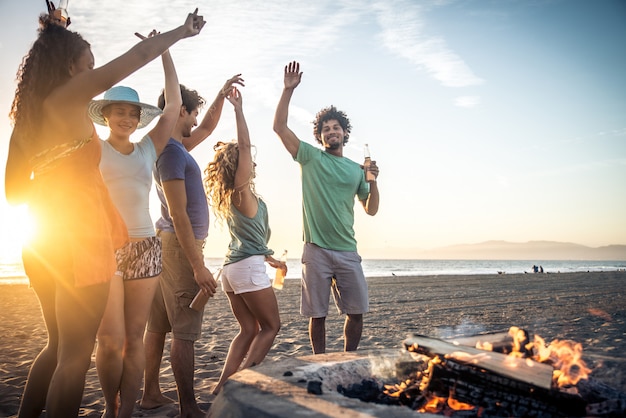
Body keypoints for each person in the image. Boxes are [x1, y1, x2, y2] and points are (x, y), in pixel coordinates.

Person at [4, 7, 205, 418]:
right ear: (68, 65)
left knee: (56, 346)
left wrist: (58, 167)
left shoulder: (25, 120)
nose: (93, 72)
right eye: (89, 66)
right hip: (83, 242)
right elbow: (136, 57)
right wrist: (181, 33)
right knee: (76, 355)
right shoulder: (72, 96)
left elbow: (13, 191)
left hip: (42, 244)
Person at [87, 34, 182, 418]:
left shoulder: (147, 148)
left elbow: (174, 105)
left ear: (139, 118)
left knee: (134, 339)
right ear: (106, 115)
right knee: (108, 339)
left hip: (145, 247)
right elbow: (76, 97)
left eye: (132, 113)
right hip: (103, 247)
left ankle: (125, 411)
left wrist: (165, 51)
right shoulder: (93, 146)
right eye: (118, 112)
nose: (126, 119)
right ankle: (110, 407)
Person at [141, 76, 244, 417]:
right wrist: (198, 265)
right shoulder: (171, 154)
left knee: (157, 324)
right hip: (178, 245)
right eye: (194, 114)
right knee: (184, 330)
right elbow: (178, 214)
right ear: (180, 110)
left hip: (165, 244)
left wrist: (219, 95)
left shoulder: (175, 147)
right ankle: (188, 408)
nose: (197, 121)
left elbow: (210, 125)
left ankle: (151, 394)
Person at [272, 61, 380, 354]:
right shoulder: (309, 157)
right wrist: (287, 90)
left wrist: (374, 181)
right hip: (316, 248)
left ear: (345, 134)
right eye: (326, 129)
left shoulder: (356, 170)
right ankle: (320, 361)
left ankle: (348, 358)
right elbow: (279, 127)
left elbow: (370, 209)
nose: (331, 132)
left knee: (356, 312)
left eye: (336, 128)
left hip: (347, 249)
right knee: (317, 315)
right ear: (320, 136)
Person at [203, 86, 282, 395]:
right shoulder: (242, 191)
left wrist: (268, 257)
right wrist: (237, 109)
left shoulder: (238, 197)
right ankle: (242, 381)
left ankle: (222, 384)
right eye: (245, 159)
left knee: (248, 329)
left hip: (232, 271)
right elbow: (246, 145)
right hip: (244, 270)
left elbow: (249, 238)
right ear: (240, 165)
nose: (251, 161)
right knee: (271, 327)